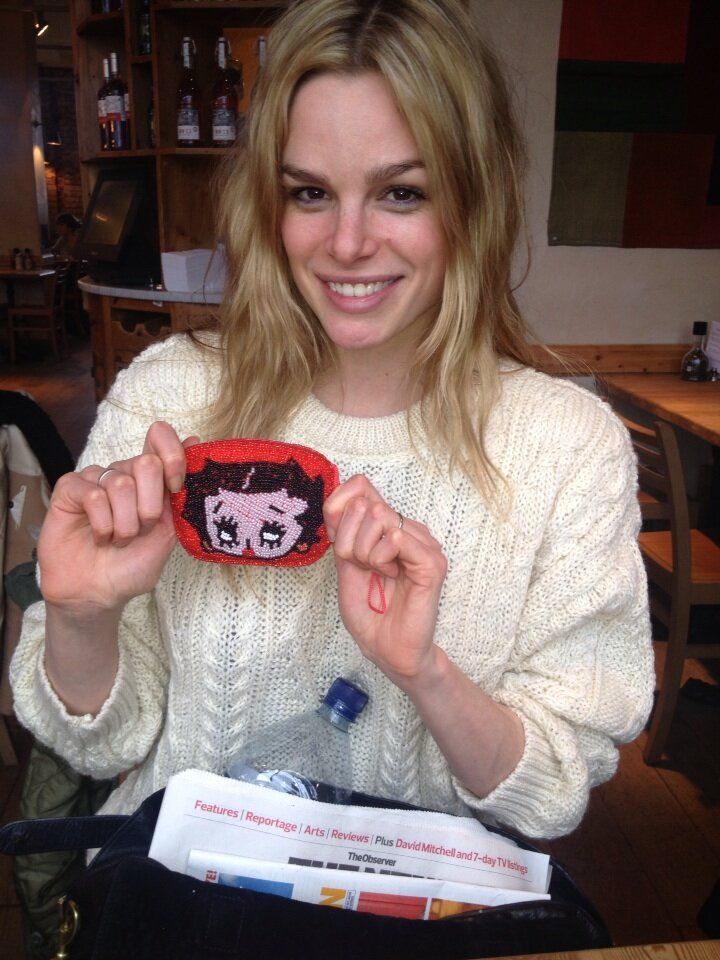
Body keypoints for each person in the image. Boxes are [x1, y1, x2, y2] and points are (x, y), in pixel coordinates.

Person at [11, 0, 654, 841]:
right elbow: (99, 746)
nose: (347, 243)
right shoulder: (170, 395)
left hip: (421, 900)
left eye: (401, 192)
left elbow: (554, 791)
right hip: (174, 886)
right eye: (310, 193)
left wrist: (424, 673)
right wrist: (81, 616)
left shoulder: (568, 446)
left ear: (473, 202)